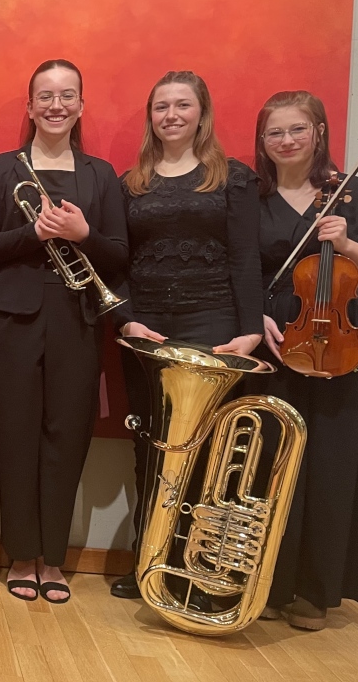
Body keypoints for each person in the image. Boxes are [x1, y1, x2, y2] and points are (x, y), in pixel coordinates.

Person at [0, 59, 127, 604]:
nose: (56, 105)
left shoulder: (101, 174)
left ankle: (53, 556)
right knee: (14, 435)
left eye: (67, 95)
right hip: (10, 319)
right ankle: (21, 553)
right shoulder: (1, 168)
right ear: (30, 106)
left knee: (67, 435)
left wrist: (83, 234)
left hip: (78, 317)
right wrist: (32, 235)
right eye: (46, 96)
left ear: (81, 105)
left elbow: (119, 254)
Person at [109, 71, 263, 600]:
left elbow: (245, 257)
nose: (171, 115)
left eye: (182, 105)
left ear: (202, 113)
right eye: (161, 107)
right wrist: (126, 319)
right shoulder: (130, 183)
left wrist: (250, 329)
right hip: (147, 328)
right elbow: (118, 260)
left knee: (208, 450)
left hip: (212, 322)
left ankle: (196, 572)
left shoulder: (233, 178)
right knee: (150, 444)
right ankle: (149, 563)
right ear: (150, 116)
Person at [254, 90, 358, 629]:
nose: (286, 141)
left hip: (344, 335)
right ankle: (269, 582)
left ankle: (316, 589)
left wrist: (348, 247)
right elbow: (239, 267)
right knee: (274, 455)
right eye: (275, 132)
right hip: (277, 335)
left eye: (297, 129)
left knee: (332, 459)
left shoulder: (357, 193)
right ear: (262, 140)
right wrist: (253, 314)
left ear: (320, 131)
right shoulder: (251, 197)